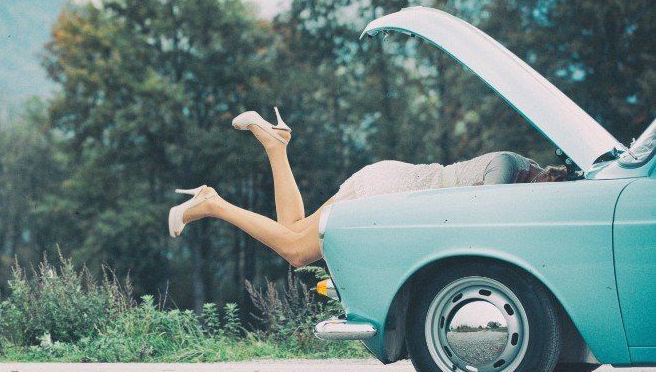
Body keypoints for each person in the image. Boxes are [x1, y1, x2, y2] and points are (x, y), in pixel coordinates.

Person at [168, 108, 568, 267]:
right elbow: (483, 215)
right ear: (547, 178)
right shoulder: (511, 166)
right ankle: (212, 203)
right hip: (388, 191)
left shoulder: (519, 171)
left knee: (292, 227)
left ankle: (275, 145)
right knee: (296, 251)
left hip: (390, 182)